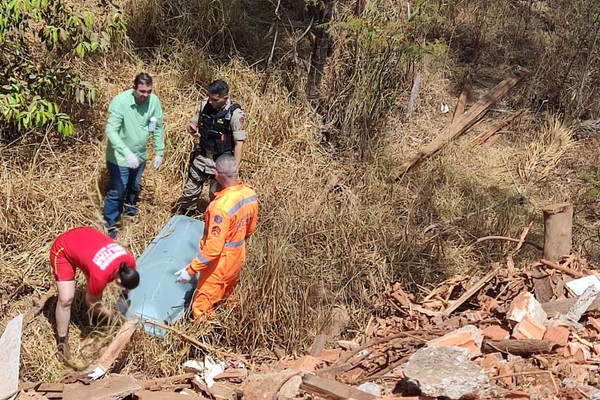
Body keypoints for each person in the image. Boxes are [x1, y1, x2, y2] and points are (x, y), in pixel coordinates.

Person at [175, 154, 258, 319]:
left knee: (201, 306)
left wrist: (190, 271)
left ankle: (208, 338)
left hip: (220, 264)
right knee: (227, 293)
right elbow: (250, 229)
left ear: (217, 174)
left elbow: (213, 249)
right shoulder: (249, 193)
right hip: (238, 256)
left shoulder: (220, 207)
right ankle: (231, 321)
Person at [49, 227, 139, 363]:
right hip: (63, 248)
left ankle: (95, 321)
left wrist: (124, 297)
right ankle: (62, 342)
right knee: (66, 299)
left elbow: (124, 288)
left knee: (96, 289)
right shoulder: (100, 275)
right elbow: (91, 303)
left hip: (86, 239)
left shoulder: (129, 262)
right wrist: (113, 317)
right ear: (119, 280)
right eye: (123, 287)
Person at [103, 72, 165, 239]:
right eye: (142, 91)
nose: (145, 95)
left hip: (141, 155)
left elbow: (157, 127)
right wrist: (126, 152)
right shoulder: (121, 102)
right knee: (118, 189)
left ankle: (130, 212)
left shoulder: (154, 102)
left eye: (149, 91)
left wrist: (159, 151)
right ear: (134, 88)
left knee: (135, 185)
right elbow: (111, 130)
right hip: (120, 158)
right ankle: (110, 225)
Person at [180, 80, 247, 215]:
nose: (211, 101)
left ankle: (212, 224)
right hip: (202, 157)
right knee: (189, 192)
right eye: (209, 97)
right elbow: (193, 122)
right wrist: (193, 129)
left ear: (225, 98)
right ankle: (187, 217)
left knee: (216, 198)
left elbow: (239, 142)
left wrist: (234, 167)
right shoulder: (205, 104)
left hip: (220, 162)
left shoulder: (235, 114)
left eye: (215, 99)